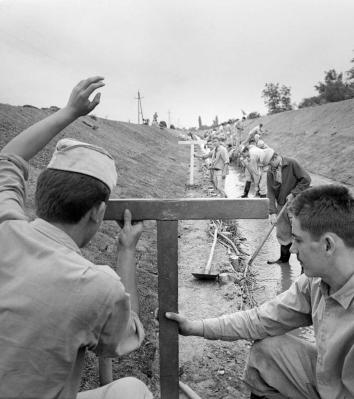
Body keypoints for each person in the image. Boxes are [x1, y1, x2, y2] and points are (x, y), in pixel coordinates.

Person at [0, 76, 152, 399]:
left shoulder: (5, 228)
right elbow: (129, 335)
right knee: (132, 390)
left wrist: (70, 111)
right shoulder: (98, 287)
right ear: (98, 212)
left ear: (41, 194)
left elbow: (8, 157)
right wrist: (126, 252)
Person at [166, 184, 354, 398]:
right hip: (329, 379)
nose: (291, 249)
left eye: (298, 240)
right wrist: (196, 327)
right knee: (267, 350)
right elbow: (260, 320)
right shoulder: (315, 283)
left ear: (328, 245)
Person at [267, 152, 311, 264]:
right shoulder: (270, 171)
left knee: (299, 233)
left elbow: (306, 179)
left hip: (296, 204)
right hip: (282, 204)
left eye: (270, 163)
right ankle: (284, 259)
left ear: (275, 157)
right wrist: (272, 212)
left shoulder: (292, 163)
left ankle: (304, 267)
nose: (269, 166)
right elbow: (270, 192)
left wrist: (293, 193)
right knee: (282, 232)